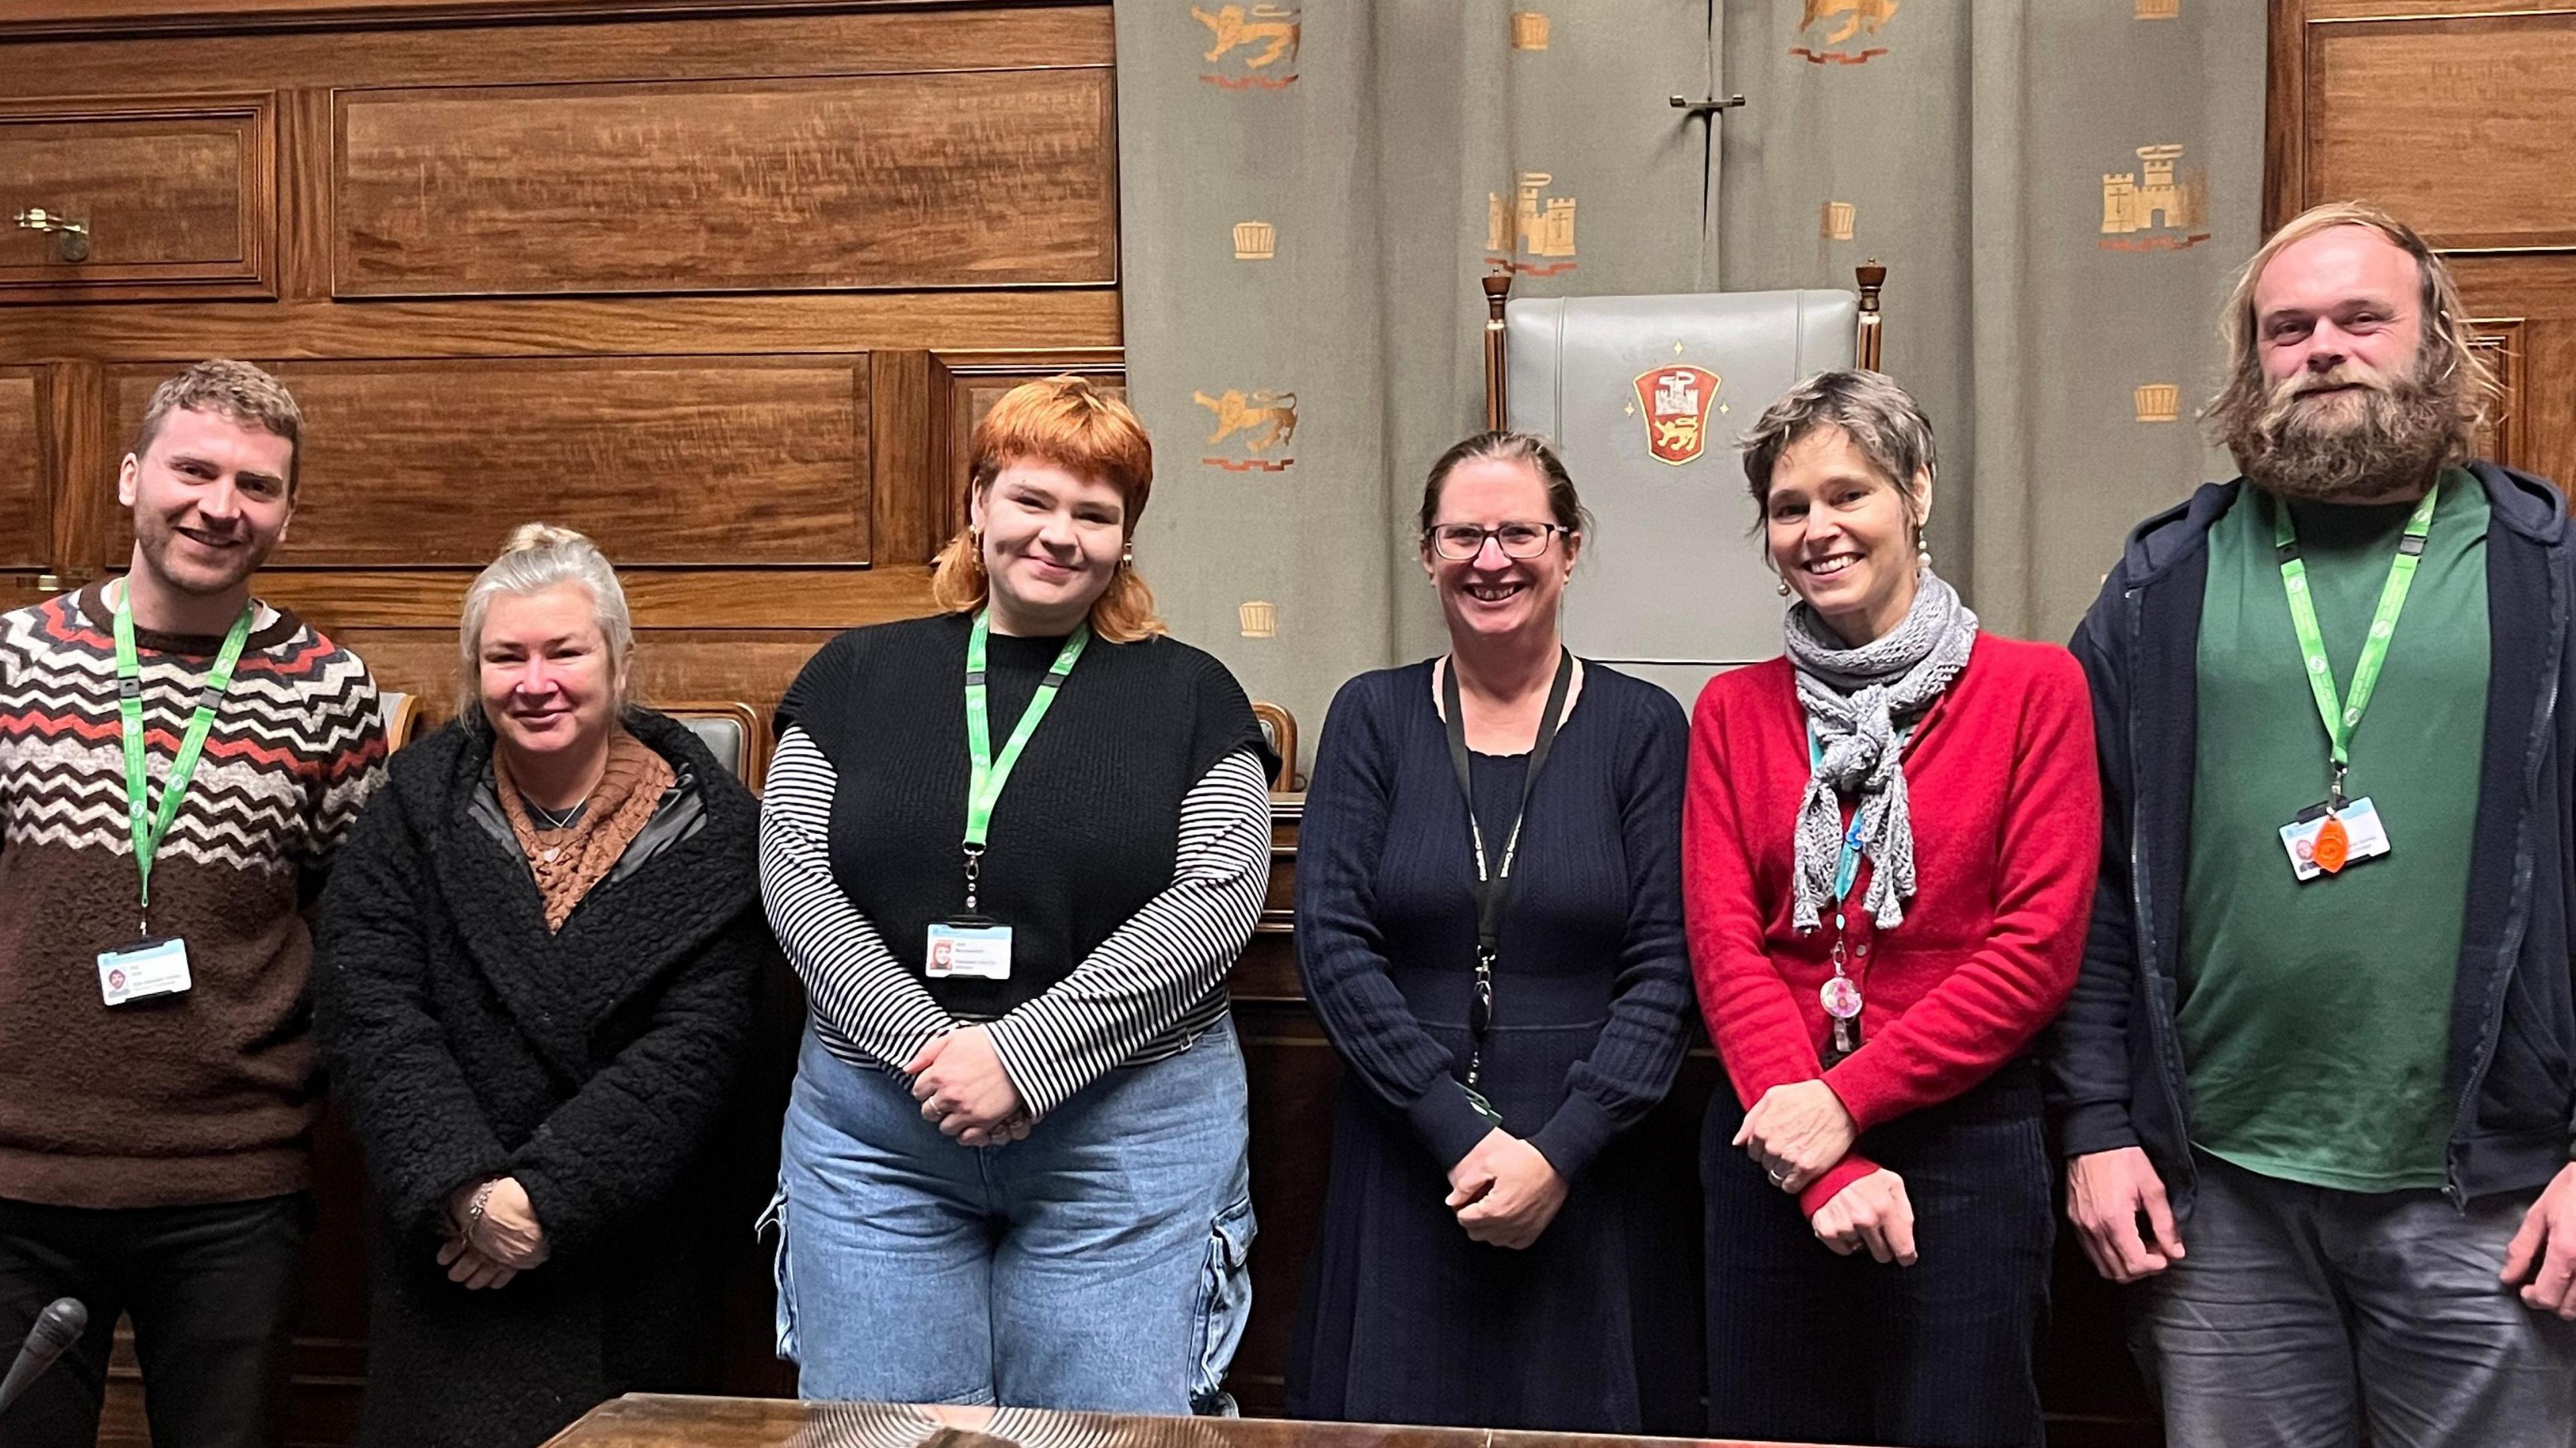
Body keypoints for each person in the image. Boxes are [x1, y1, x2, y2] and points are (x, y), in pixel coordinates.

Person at [2050, 200, 2576, 1445]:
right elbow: (2087, 888)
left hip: (2491, 1199)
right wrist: (2095, 1125)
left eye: (2360, 319)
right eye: (2288, 329)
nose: (2323, 347)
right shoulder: (2160, 586)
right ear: (2252, 367)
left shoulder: (2547, 573)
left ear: (2436, 343)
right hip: (2215, 1197)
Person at [761, 376, 1275, 1412]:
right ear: (977, 504)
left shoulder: (1196, 695)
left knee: (1103, 1441)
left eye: (1095, 514)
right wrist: (936, 1052)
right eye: (1033, 500)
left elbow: (1215, 903)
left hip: (1127, 1133)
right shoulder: (852, 675)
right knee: (877, 1439)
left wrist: (1019, 1056)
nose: (1060, 535)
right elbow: (794, 876)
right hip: (879, 1132)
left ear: (1126, 539)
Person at [1685, 370, 2100, 1447]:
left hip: (1965, 1147)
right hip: (1769, 1141)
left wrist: (1850, 1104)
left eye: (1848, 494)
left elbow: (2036, 951)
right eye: (1788, 507)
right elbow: (1728, 946)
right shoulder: (1734, 710)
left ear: (1916, 492)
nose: (1817, 529)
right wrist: (1821, 1145)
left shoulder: (2033, 690)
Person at [313, 524, 769, 1448]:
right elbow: (370, 1006)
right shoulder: (412, 805)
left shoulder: (721, 834)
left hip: (626, 1256)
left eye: (564, 651)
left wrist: (546, 1201)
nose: (535, 681)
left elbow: (699, 1050)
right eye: (505, 656)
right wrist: (470, 1194)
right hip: (448, 1254)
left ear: (620, 658)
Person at [0, 360, 386, 1448]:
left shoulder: (328, 687)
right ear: (131, 478)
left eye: (256, 486)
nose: (221, 507)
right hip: (19, 1174)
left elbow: (357, 928)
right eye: (194, 471)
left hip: (231, 1180)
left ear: (286, 512)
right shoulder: (12, 661)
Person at [1285, 432, 1699, 1433]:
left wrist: (1557, 1152)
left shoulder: (1644, 725)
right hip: (1409, 1148)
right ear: (1427, 554)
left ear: (1569, 548)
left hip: (1593, 1163)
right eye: (1462, 533)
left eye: (1520, 531)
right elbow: (1332, 943)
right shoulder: (1373, 714)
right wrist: (1457, 1132)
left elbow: (1670, 964)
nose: (1491, 557)